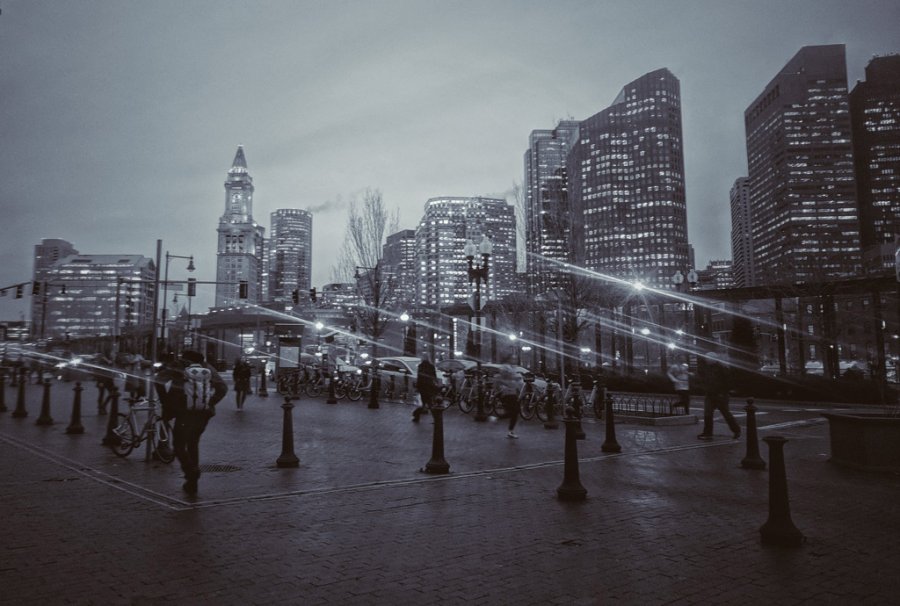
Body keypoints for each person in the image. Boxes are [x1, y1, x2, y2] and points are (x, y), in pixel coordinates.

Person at [156, 350, 227, 495]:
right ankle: (192, 483)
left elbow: (159, 380)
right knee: (193, 443)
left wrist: (166, 402)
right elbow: (222, 388)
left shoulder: (179, 366)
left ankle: (191, 471)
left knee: (179, 445)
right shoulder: (207, 368)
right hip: (203, 413)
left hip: (184, 413)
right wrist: (210, 403)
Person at [697, 351, 741, 440]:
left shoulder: (721, 368)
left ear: (712, 359)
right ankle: (708, 433)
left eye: (707, 358)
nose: (706, 360)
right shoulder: (709, 368)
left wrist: (723, 392)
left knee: (724, 413)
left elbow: (728, 381)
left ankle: (736, 430)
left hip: (720, 394)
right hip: (711, 394)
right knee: (708, 413)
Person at [493, 359, 525, 439]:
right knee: (514, 411)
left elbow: (515, 382)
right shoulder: (504, 373)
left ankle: (508, 428)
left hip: (511, 394)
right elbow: (499, 385)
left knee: (515, 412)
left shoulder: (507, 371)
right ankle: (507, 427)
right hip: (507, 395)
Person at [412, 353, 439, 422]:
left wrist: (417, 386)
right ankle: (435, 418)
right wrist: (436, 384)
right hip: (430, 387)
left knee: (424, 402)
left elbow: (419, 377)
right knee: (429, 402)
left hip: (422, 387)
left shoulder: (420, 366)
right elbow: (434, 376)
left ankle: (416, 415)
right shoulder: (431, 366)